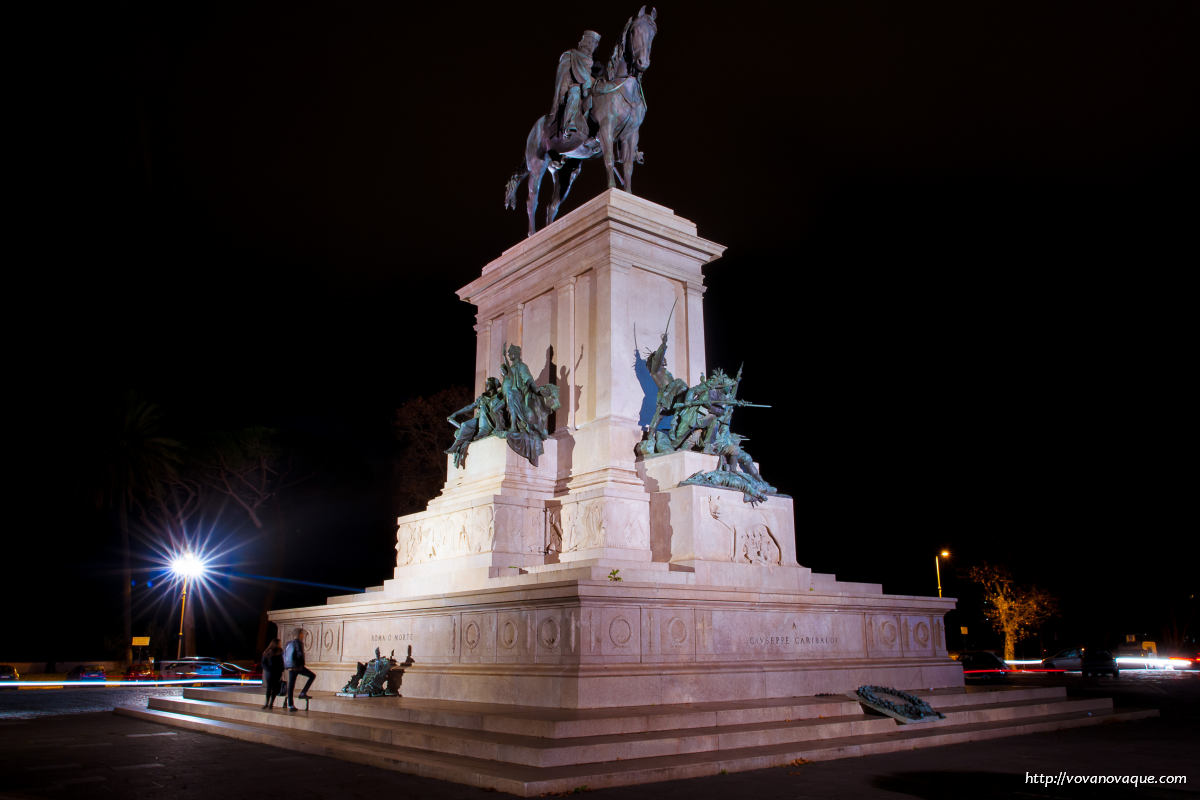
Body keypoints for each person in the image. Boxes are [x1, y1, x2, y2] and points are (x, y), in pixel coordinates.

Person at [550, 30, 601, 141]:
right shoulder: (571, 55)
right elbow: (563, 75)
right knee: (575, 92)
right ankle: (569, 125)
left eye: (594, 43)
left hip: (589, 90)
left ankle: (597, 132)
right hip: (573, 88)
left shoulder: (595, 64)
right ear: (583, 42)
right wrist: (563, 91)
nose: (590, 45)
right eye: (589, 41)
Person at [282, 628, 315, 711]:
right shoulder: (298, 642)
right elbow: (300, 654)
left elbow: (284, 655)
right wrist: (302, 664)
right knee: (312, 676)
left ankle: (290, 705)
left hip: (290, 667)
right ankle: (303, 692)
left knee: (291, 686)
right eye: (302, 634)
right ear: (299, 634)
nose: (303, 635)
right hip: (297, 666)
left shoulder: (289, 643)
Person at [260, 638, 284, 710]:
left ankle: (269, 703)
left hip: (274, 672)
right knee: (271, 688)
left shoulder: (277, 651)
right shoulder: (270, 652)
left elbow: (281, 662)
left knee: (273, 688)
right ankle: (268, 703)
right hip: (272, 672)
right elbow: (263, 663)